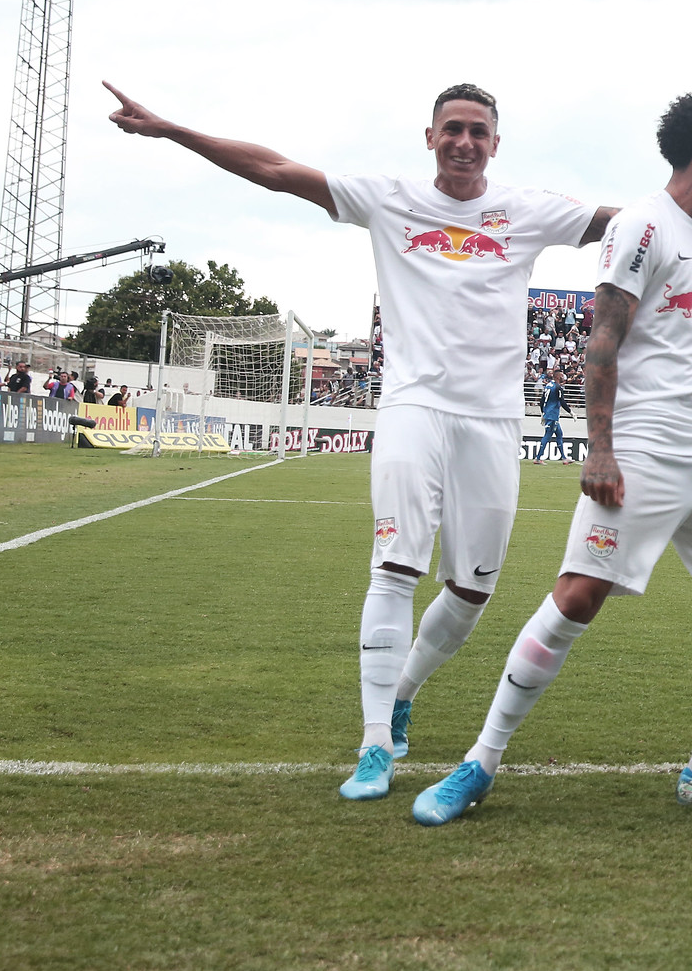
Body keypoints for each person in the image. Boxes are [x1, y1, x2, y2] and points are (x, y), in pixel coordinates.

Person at [107, 78, 643, 804]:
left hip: (491, 418)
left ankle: (401, 692)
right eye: (451, 128)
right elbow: (275, 170)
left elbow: (628, 221)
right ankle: (373, 744)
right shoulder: (387, 198)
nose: (463, 141)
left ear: (494, 142)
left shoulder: (526, 210)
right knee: (394, 567)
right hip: (412, 405)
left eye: (477, 131)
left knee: (471, 588)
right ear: (429, 137)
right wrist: (171, 128)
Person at [414, 90, 692, 823]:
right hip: (642, 449)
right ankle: (478, 761)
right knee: (577, 597)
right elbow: (602, 341)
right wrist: (601, 449)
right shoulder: (642, 227)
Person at [538, 376, 568, 461]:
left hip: (548, 414)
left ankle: (564, 458)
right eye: (562, 376)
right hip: (552, 415)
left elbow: (542, 400)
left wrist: (543, 413)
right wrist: (570, 412)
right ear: (558, 377)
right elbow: (562, 401)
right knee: (547, 435)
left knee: (559, 434)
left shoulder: (548, 385)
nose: (563, 378)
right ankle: (538, 458)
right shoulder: (558, 388)